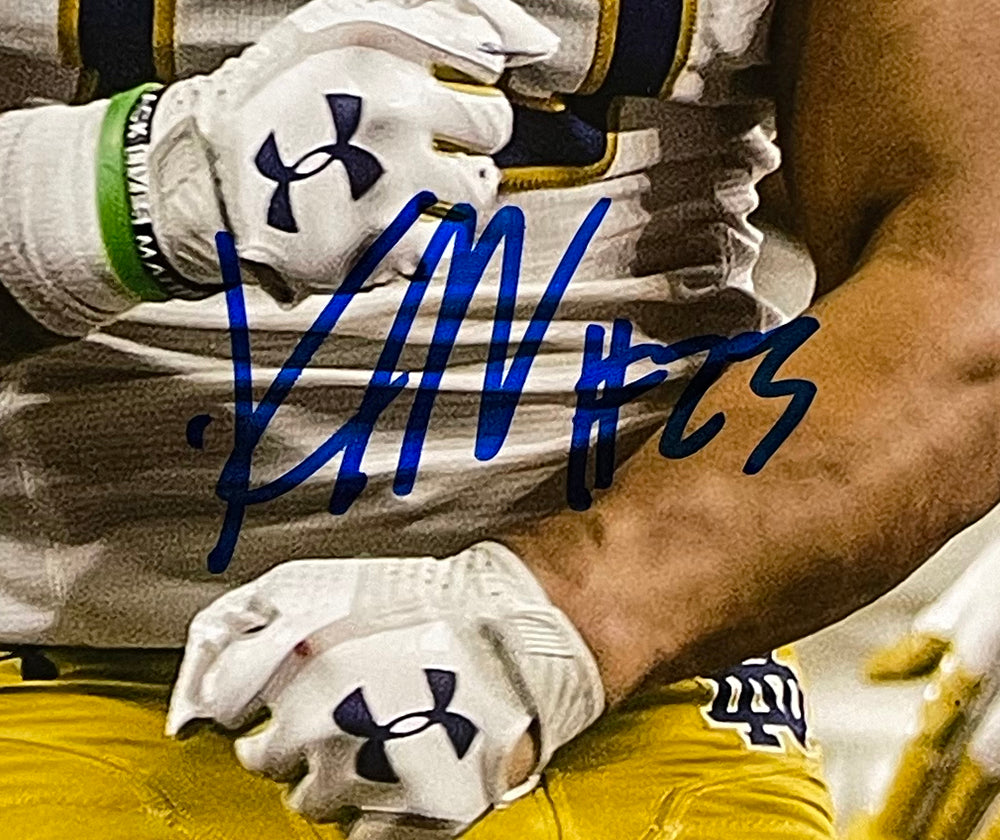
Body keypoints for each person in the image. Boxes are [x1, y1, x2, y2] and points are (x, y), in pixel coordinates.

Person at [0, 0, 996, 836]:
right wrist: (104, 199)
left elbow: (962, 271)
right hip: (47, 647)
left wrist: (556, 617)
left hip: (620, 674)